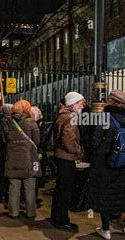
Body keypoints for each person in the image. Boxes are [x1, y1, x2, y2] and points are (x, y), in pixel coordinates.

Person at [85, 90, 125, 240]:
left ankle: (106, 230)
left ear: (112, 101)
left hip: (105, 162)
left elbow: (95, 141)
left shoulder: (105, 117)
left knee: (104, 195)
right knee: (124, 197)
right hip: (124, 162)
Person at [50, 92, 85, 231]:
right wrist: (78, 150)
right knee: (65, 191)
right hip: (66, 158)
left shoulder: (62, 116)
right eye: (81, 103)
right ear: (74, 104)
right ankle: (61, 220)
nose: (83, 106)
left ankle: (56, 217)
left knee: (60, 190)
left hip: (60, 157)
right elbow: (68, 141)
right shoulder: (71, 118)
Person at [4, 100, 41, 219]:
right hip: (28, 159)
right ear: (26, 110)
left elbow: (5, 140)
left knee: (14, 187)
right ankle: (30, 213)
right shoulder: (31, 122)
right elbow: (37, 140)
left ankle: (13, 212)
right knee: (29, 187)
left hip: (12, 159)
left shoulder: (8, 123)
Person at [0, 103, 13, 205]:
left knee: (1, 173)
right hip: (5, 151)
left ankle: (2, 193)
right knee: (4, 174)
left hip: (0, 150)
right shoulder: (5, 121)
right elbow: (7, 136)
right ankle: (4, 194)